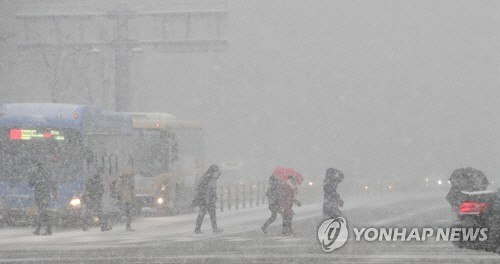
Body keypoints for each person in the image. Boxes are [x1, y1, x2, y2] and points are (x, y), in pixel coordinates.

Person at [193, 165, 223, 234]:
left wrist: (213, 196)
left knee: (211, 214)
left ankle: (214, 228)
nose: (217, 174)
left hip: (209, 199)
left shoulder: (213, 178)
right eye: (216, 172)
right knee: (202, 214)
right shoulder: (207, 178)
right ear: (213, 172)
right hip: (204, 199)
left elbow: (212, 189)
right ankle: (197, 229)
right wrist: (204, 198)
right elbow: (202, 189)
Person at [30, 161, 57, 236]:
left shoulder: (37, 175)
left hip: (40, 196)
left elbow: (31, 183)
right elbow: (52, 184)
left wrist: (32, 174)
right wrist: (55, 194)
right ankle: (44, 229)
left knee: (43, 213)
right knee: (43, 213)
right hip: (44, 196)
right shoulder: (45, 174)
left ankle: (43, 229)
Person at [115, 158, 135, 231]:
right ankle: (127, 226)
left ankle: (128, 225)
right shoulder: (122, 179)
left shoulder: (128, 179)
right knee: (127, 212)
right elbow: (117, 187)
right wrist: (122, 193)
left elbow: (131, 190)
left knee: (129, 213)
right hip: (125, 198)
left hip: (128, 198)